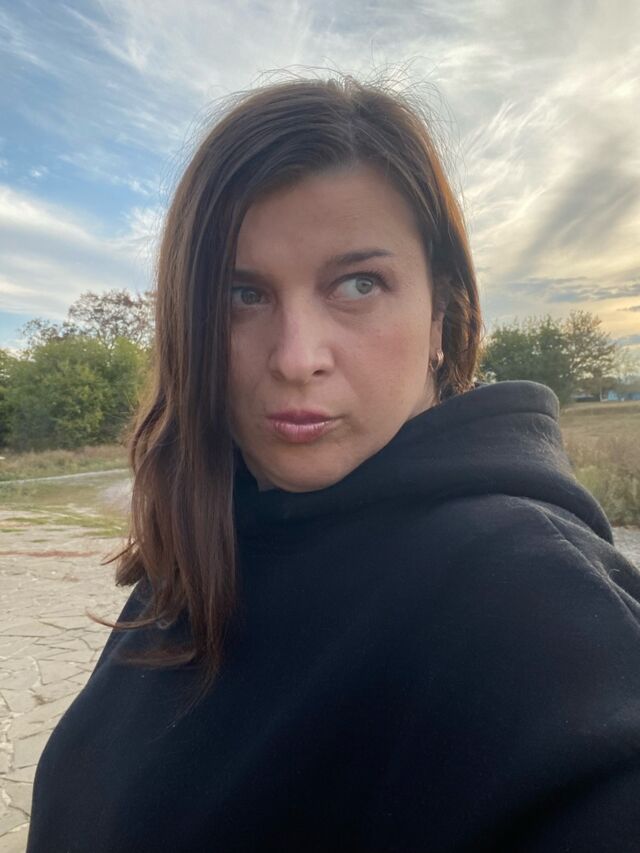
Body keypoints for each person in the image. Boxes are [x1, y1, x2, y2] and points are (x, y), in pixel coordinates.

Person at [27, 72, 640, 853]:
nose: (295, 357)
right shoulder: (210, 536)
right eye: (243, 295)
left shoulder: (533, 597)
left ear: (441, 316)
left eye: (358, 283)